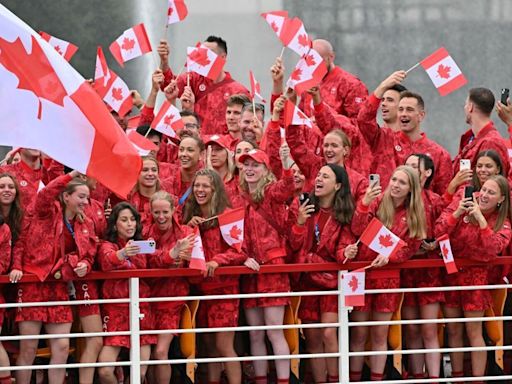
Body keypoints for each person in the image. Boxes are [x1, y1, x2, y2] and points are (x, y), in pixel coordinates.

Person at [14, 172, 98, 384]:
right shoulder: (46, 212)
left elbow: (90, 252)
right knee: (29, 348)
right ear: (66, 196)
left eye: (87, 198)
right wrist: (70, 176)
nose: (85, 202)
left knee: (61, 347)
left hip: (59, 287)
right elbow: (44, 194)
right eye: (81, 197)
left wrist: (84, 265)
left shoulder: (85, 223)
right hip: (35, 282)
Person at [349, 166, 426, 382]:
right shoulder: (375, 200)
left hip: (388, 279)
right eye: (394, 179)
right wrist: (363, 204)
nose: (395, 185)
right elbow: (356, 228)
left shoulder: (413, 214)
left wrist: (390, 256)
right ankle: (355, 378)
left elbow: (410, 248)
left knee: (380, 334)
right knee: (359, 334)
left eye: (402, 182)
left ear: (411, 189)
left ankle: (376, 379)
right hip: (361, 275)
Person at [435, 175, 511, 382]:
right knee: (454, 329)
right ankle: (458, 378)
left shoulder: (502, 223)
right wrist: (458, 213)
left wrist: (480, 220)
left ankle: (478, 379)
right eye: (484, 190)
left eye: (491, 193)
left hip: (476, 280)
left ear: (501, 199)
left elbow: (492, 250)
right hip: (451, 275)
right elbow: (438, 230)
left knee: (474, 331)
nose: (484, 195)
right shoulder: (463, 199)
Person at [289, 164, 357, 383]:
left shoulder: (344, 213)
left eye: (325, 176)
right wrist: (299, 223)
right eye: (318, 175)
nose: (318, 179)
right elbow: (293, 245)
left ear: (337, 185)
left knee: (329, 332)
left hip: (331, 283)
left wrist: (346, 251)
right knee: (313, 338)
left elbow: (341, 251)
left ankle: (336, 379)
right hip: (308, 281)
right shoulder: (304, 207)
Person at [183, 169, 247, 384]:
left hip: (224, 290)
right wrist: (187, 230)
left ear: (215, 189)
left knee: (223, 345)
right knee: (209, 346)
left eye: (205, 186)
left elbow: (240, 250)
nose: (200, 190)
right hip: (201, 290)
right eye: (197, 186)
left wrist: (217, 260)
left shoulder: (227, 215)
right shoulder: (189, 216)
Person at [238, 148, 295, 384]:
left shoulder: (271, 192)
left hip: (273, 268)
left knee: (274, 331)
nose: (250, 169)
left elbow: (287, 188)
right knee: (255, 333)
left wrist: (286, 164)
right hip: (250, 271)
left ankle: (283, 380)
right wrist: (242, 256)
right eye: (246, 164)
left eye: (256, 164)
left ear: (266, 170)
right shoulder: (240, 196)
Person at [357, 71, 452, 194]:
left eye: (409, 110)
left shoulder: (439, 154)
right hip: (383, 211)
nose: (404, 114)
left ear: (421, 115)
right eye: (400, 109)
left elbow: (443, 197)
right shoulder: (384, 139)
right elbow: (363, 119)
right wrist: (382, 86)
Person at [97, 202, 156, 384]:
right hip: (116, 312)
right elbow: (106, 260)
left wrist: (174, 253)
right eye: (124, 220)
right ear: (115, 225)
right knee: (105, 370)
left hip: (142, 310)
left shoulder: (143, 244)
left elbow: (158, 258)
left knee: (139, 373)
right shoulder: (107, 244)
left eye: (133, 220)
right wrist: (122, 254)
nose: (130, 224)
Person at [402, 154, 445, 381]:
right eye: (405, 165)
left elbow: (446, 232)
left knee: (429, 329)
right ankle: (417, 375)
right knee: (411, 330)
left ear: (427, 173)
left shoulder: (436, 201)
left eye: (413, 166)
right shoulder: (399, 200)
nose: (408, 169)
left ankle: (435, 377)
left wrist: (434, 244)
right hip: (406, 272)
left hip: (429, 273)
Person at [146, 191, 194, 383]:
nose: (161, 217)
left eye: (165, 211)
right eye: (156, 212)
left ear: (174, 210)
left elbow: (196, 260)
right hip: (147, 301)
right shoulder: (146, 233)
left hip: (172, 301)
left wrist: (186, 257)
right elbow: (148, 260)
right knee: (148, 354)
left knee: (160, 351)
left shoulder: (186, 232)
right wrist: (172, 254)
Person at [158, 36, 250, 135]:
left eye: (208, 53)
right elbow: (168, 85)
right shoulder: (193, 78)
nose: (203, 56)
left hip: (223, 147)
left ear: (222, 57)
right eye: (201, 52)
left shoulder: (238, 91)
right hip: (196, 144)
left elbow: (246, 124)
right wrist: (164, 62)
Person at [298, 39, 368, 119]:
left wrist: (324, 119)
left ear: (331, 57)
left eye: (318, 60)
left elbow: (359, 126)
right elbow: (301, 119)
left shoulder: (351, 85)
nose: (314, 65)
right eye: (309, 61)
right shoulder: (308, 82)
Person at [453, 87, 510, 177]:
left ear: (470, 107)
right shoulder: (470, 139)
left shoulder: (491, 142)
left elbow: (492, 184)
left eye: (466, 104)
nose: (464, 108)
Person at [129, 156, 173, 229]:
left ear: (158, 173)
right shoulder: (128, 200)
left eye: (154, 170)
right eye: (145, 170)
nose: (150, 173)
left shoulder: (170, 199)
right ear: (137, 173)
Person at [205, 135, 243, 208]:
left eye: (218, 149)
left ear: (228, 153)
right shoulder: (201, 180)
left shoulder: (238, 181)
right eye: (210, 150)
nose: (213, 154)